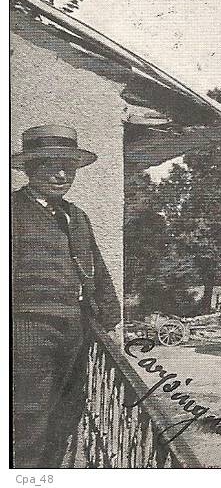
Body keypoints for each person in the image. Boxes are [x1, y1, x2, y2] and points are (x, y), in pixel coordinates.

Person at [11, 125, 122, 468]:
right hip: (27, 330)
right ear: (30, 169)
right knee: (28, 418)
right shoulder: (12, 211)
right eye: (50, 165)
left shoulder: (77, 217)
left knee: (68, 411)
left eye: (68, 167)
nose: (61, 175)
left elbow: (97, 270)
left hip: (75, 331)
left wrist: (110, 319)